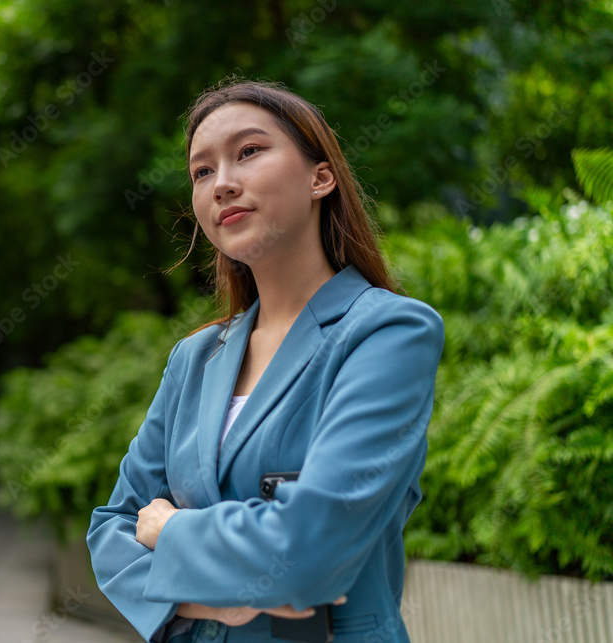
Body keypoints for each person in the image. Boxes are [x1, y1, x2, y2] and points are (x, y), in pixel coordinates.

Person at [86, 77, 445, 643]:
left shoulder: (388, 332)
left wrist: (175, 529)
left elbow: (312, 546)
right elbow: (112, 528)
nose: (222, 183)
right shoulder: (194, 359)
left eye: (248, 152)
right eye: (203, 171)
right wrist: (204, 599)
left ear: (319, 177)